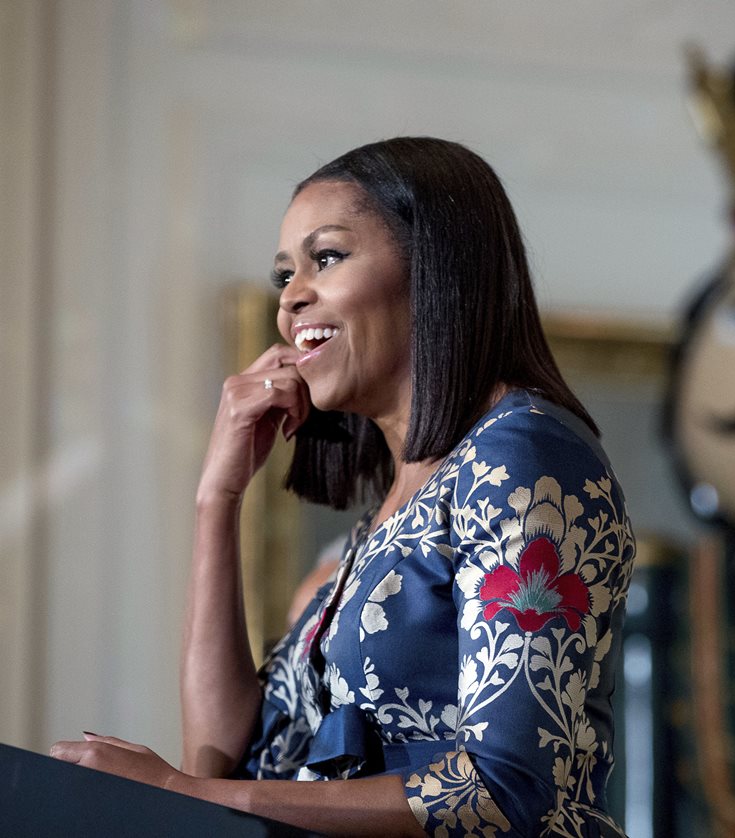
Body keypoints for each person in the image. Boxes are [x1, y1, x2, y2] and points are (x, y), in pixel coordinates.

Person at [51, 137, 636, 837]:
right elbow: (226, 759)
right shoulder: (388, 516)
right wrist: (217, 500)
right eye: (283, 276)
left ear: (434, 266)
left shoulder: (525, 454)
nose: (292, 297)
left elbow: (507, 788)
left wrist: (190, 793)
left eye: (325, 258)